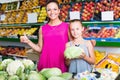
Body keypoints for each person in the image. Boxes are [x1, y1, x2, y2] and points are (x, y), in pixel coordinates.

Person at [20, 1, 70, 72]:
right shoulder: (42, 28)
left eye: (55, 9)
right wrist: (28, 41)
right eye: (49, 10)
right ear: (46, 13)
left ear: (59, 11)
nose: (52, 12)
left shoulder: (66, 27)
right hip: (45, 63)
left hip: (61, 63)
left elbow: (72, 45)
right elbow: (40, 49)